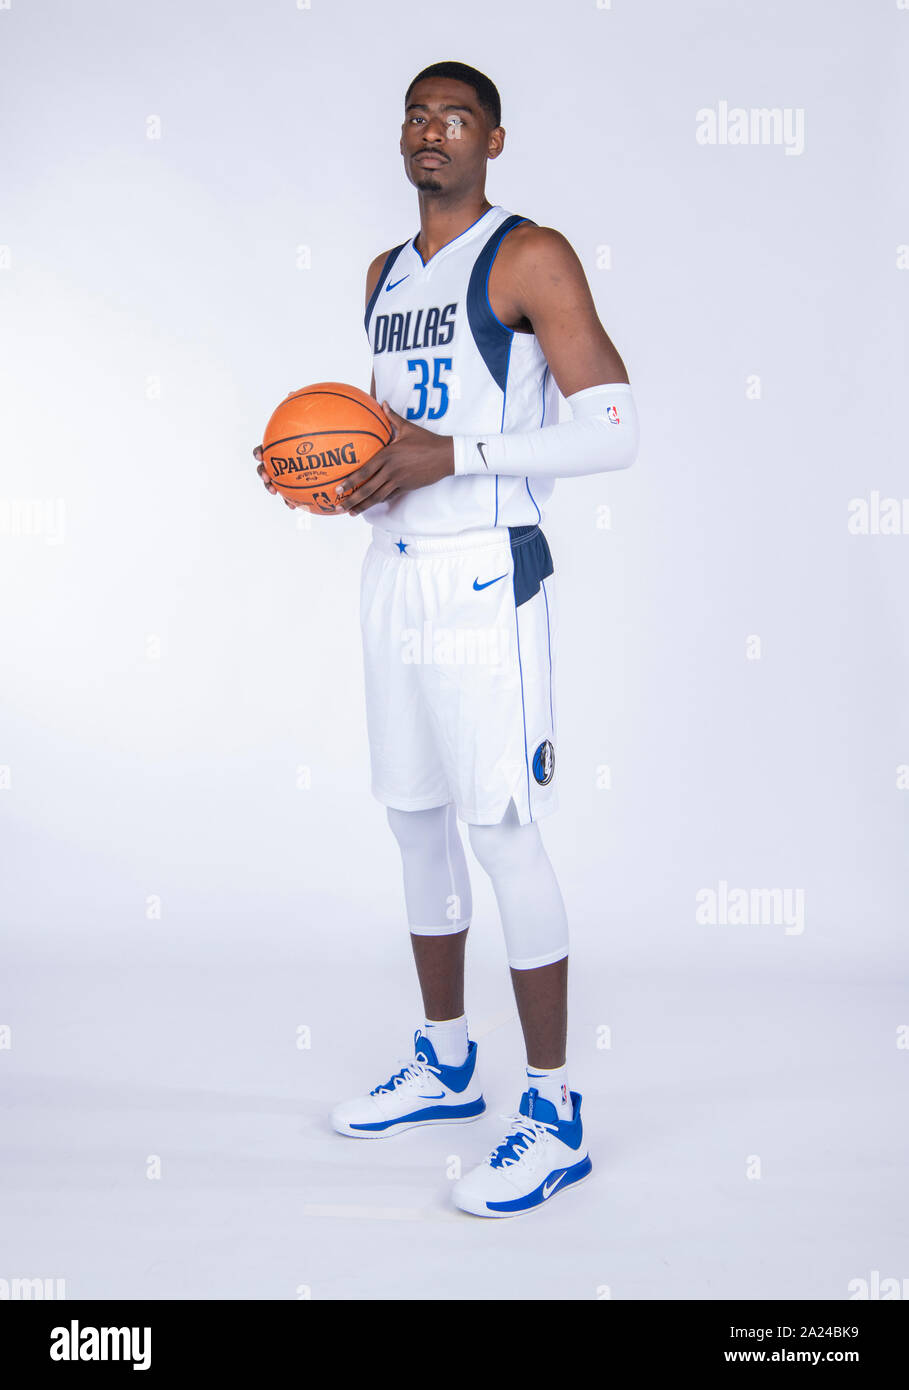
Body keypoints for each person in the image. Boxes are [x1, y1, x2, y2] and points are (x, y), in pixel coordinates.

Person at [255, 60, 639, 1218]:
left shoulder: (530, 256)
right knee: (413, 819)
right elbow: (390, 435)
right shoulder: (382, 275)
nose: (432, 131)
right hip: (396, 576)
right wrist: (331, 475)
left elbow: (616, 431)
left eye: (456, 117)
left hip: (486, 577)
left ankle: (558, 1110)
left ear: (495, 140)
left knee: (502, 835)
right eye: (417, 115)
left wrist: (451, 458)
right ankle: (443, 1060)